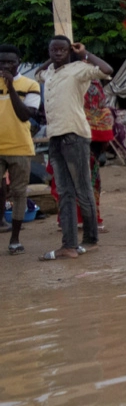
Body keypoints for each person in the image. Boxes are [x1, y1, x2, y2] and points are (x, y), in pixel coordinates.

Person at [38, 37, 112, 261]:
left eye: (62, 49)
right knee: (64, 192)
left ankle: (89, 239)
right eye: (54, 49)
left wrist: (83, 53)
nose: (58, 53)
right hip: (55, 137)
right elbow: (38, 73)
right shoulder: (49, 72)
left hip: (75, 135)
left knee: (82, 189)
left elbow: (107, 69)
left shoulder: (79, 69)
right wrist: (52, 58)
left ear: (70, 51)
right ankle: (69, 245)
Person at [0, 44, 40, 256]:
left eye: (10, 62)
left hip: (20, 146)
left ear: (18, 63)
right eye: (2, 62)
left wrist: (11, 87)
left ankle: (14, 239)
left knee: (19, 193)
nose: (5, 65)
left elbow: (25, 115)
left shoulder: (30, 84)